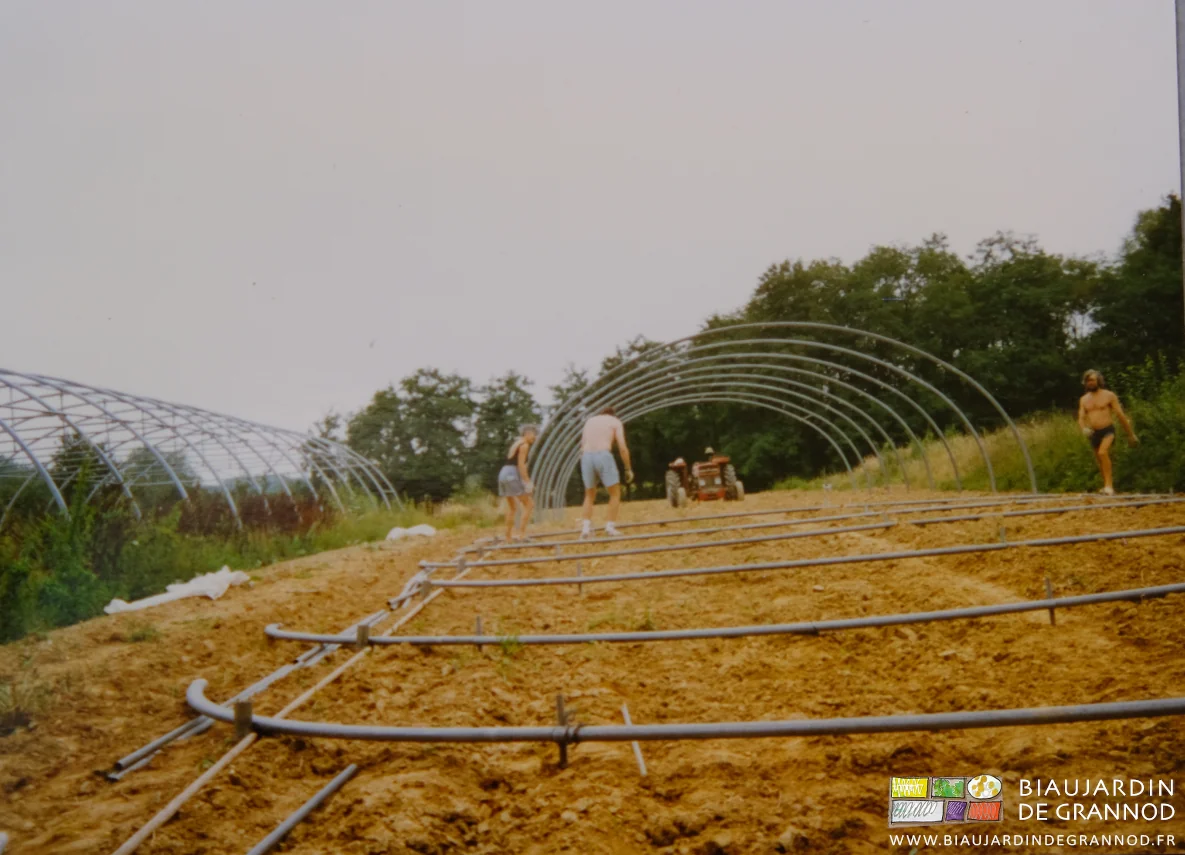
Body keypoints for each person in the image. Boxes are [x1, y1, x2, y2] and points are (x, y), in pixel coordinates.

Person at [1077, 370, 1138, 495]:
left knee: (1103, 452)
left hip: (1107, 430)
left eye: (1093, 380)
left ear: (1099, 381)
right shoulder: (1083, 399)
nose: (1091, 383)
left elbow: (1120, 414)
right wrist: (1083, 428)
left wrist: (1130, 434)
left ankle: (1109, 486)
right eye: (1088, 380)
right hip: (1094, 432)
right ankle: (1105, 486)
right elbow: (1081, 417)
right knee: (1099, 458)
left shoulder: (1109, 395)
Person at [579, 406, 633, 538]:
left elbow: (582, 444)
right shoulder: (615, 422)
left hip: (586, 456)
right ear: (613, 415)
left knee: (589, 494)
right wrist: (628, 468)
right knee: (615, 493)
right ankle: (610, 527)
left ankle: (585, 529)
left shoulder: (590, 421)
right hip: (603, 455)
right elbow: (622, 447)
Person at [497, 424, 538, 541]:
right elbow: (521, 465)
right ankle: (522, 535)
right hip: (511, 474)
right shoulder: (524, 445)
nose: (534, 438)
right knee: (529, 505)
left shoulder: (516, 443)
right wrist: (528, 482)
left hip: (503, 474)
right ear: (527, 434)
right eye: (533, 435)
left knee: (512, 508)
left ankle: (508, 537)